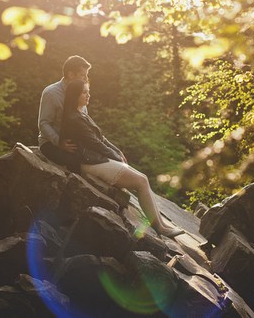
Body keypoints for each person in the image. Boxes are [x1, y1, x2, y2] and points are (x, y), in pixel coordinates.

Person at [61, 78, 184, 238]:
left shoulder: (81, 113)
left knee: (143, 179)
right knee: (141, 182)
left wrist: (117, 151)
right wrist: (115, 157)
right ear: (75, 94)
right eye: (84, 92)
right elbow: (95, 143)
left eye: (88, 91)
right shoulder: (73, 119)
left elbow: (102, 139)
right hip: (89, 162)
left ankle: (161, 224)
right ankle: (160, 227)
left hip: (97, 158)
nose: (88, 95)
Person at [37, 55, 92, 171]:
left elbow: (85, 121)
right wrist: (59, 142)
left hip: (75, 144)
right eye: (83, 75)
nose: (86, 78)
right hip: (51, 144)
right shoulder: (51, 93)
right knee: (76, 163)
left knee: (94, 160)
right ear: (71, 75)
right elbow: (44, 123)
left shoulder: (82, 93)